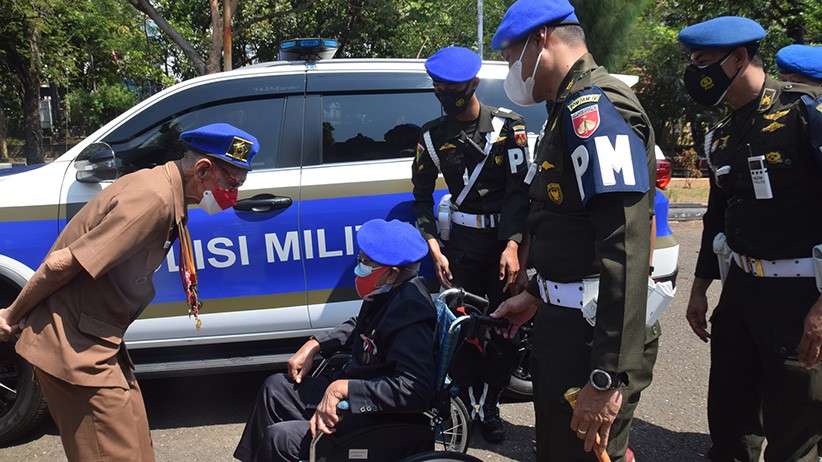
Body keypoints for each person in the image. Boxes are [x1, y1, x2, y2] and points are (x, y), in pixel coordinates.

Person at [0, 123, 259, 461]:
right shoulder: (153, 201)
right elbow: (59, 264)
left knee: (136, 450)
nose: (233, 195)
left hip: (98, 344)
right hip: (73, 350)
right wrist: (11, 315)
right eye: (231, 183)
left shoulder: (166, 193)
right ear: (203, 169)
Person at [487, 0, 659, 460]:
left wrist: (607, 376)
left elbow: (623, 247)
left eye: (509, 58)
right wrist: (539, 295)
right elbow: (572, 234)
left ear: (541, 39)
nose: (510, 72)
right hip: (566, 328)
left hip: (593, 342)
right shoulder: (564, 108)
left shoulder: (593, 108)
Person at [679, 16, 822, 462]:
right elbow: (716, 216)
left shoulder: (806, 113)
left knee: (793, 428)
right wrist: (700, 288)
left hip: (798, 296)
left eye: (703, 63)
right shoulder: (723, 134)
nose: (695, 73)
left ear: (739, 57)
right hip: (741, 290)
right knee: (729, 418)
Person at [233, 218, 436, 462]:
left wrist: (344, 389)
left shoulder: (410, 311)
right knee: (274, 388)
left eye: (365, 262)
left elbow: (414, 389)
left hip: (379, 417)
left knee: (280, 438)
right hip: (359, 389)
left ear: (391, 274)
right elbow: (360, 327)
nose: (358, 266)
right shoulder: (387, 292)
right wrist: (316, 343)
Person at [411, 46, 531, 443]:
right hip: (459, 245)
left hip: (502, 247)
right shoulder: (431, 137)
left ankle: (491, 404)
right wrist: (432, 243)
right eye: (438, 87)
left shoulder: (508, 127)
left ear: (474, 84)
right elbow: (421, 197)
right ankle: (462, 403)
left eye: (453, 87)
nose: (445, 93)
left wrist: (512, 245)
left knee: (501, 328)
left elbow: (518, 191)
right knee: (460, 329)